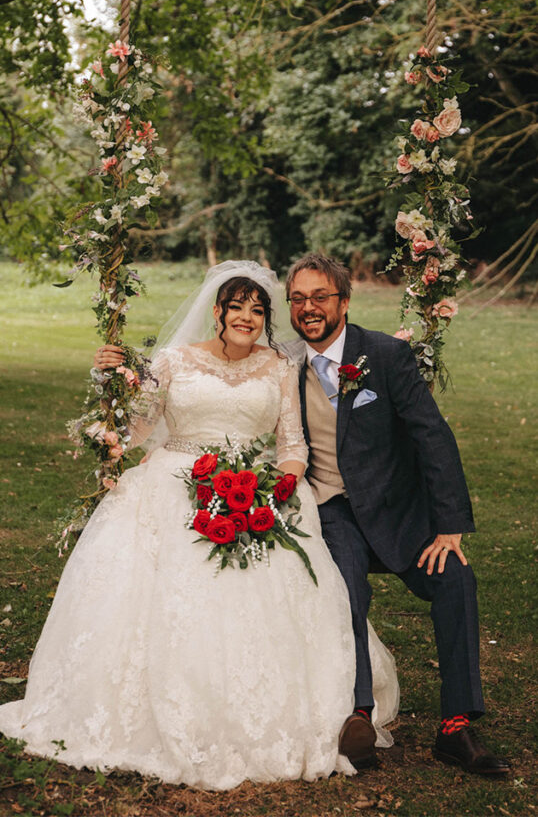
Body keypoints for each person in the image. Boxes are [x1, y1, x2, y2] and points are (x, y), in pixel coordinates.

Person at [0, 260, 398, 790]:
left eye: (258, 310)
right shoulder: (174, 361)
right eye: (237, 307)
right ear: (217, 312)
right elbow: (139, 426)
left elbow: (292, 445)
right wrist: (113, 382)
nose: (247, 318)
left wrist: (280, 486)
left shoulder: (280, 368)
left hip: (251, 486)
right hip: (174, 482)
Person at [285, 251, 510, 776]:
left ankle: (456, 727)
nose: (309, 308)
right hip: (333, 508)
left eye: (320, 296)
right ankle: (358, 715)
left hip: (398, 511)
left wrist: (449, 524)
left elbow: (432, 436)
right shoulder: (285, 362)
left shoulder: (383, 355)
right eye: (298, 299)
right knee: (346, 588)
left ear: (344, 300)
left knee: (455, 580)